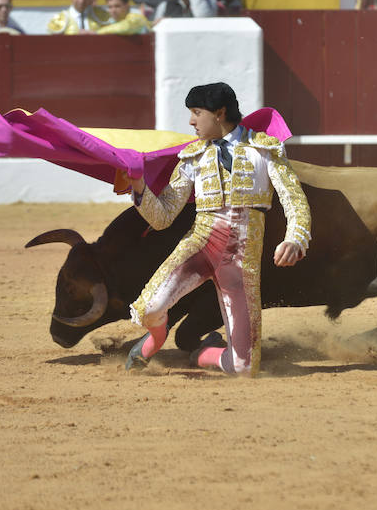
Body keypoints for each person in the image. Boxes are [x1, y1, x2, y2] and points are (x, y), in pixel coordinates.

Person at [124, 83, 311, 377]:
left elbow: (294, 200)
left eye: (197, 113)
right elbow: (162, 217)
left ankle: (204, 353)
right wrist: (138, 187)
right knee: (149, 309)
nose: (191, 121)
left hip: (241, 260)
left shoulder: (265, 148)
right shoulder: (193, 156)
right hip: (199, 246)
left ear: (220, 113)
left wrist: (295, 238)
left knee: (244, 369)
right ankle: (155, 341)